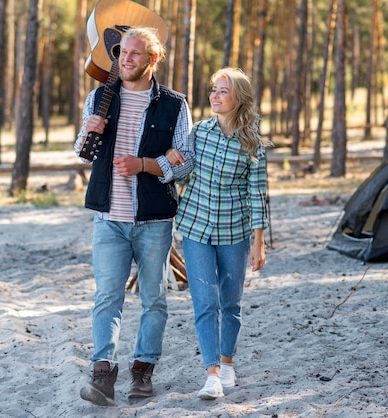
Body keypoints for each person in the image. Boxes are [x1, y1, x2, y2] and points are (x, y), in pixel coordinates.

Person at [74, 26, 193, 406]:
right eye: (122, 52)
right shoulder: (99, 98)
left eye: (135, 54)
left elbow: (185, 161)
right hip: (109, 216)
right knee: (107, 296)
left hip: (154, 220)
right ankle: (102, 371)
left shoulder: (174, 105)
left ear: (152, 59)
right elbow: (84, 153)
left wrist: (144, 164)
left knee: (154, 298)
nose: (126, 59)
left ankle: (142, 371)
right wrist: (86, 134)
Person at [166, 67, 268, 400]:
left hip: (234, 231)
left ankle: (227, 362)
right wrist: (171, 158)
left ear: (239, 98)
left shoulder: (253, 141)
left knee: (231, 303)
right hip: (195, 226)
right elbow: (182, 175)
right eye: (213, 90)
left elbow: (258, 193)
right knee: (205, 302)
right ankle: (211, 374)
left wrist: (258, 242)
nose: (215, 96)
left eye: (223, 91)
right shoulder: (198, 132)